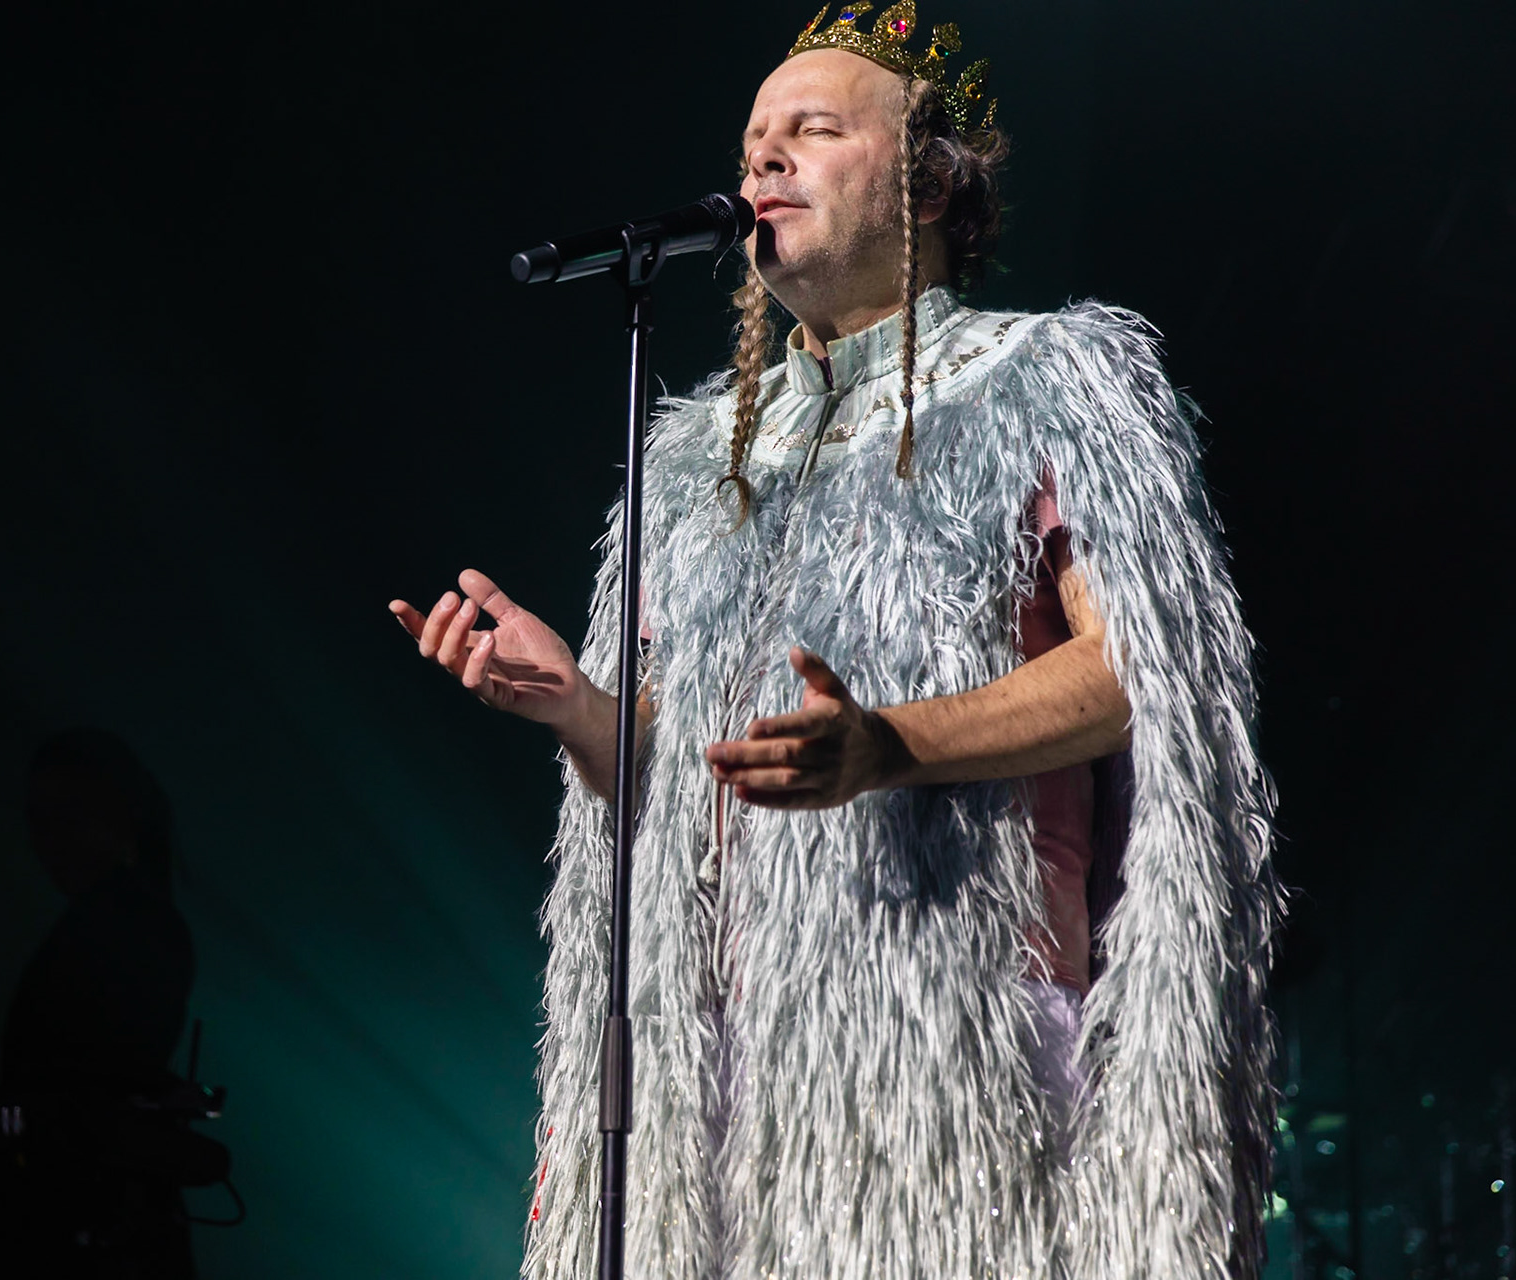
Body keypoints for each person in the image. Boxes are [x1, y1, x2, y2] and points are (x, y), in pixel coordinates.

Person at [391, 4, 1280, 1276]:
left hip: (956, 1076)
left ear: (929, 180)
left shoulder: (1049, 378)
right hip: (733, 1089)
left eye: (812, 130)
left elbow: (1140, 669)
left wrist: (890, 743)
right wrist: (575, 705)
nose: (763, 164)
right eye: (754, 143)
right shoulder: (698, 454)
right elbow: (678, 767)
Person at [0, 728, 199, 1280]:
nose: (46, 838)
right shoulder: (127, 919)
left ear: (114, 812)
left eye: (64, 813)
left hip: (91, 1234)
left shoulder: (128, 923)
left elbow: (93, 1086)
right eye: (38, 819)